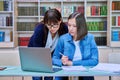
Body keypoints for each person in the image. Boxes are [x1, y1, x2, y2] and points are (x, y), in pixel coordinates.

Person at [52, 12, 99, 80]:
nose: (70, 29)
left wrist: (72, 63)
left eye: (74, 26)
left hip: (85, 74)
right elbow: (54, 58)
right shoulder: (63, 39)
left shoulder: (90, 38)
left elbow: (95, 60)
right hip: (65, 73)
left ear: (81, 27)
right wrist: (61, 61)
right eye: (69, 25)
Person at [28, 9, 68, 80]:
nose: (52, 28)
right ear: (45, 23)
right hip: (36, 54)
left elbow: (64, 47)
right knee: (37, 76)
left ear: (60, 21)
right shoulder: (39, 29)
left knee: (49, 76)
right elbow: (37, 51)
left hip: (52, 55)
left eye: (55, 24)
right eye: (49, 25)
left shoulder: (64, 29)